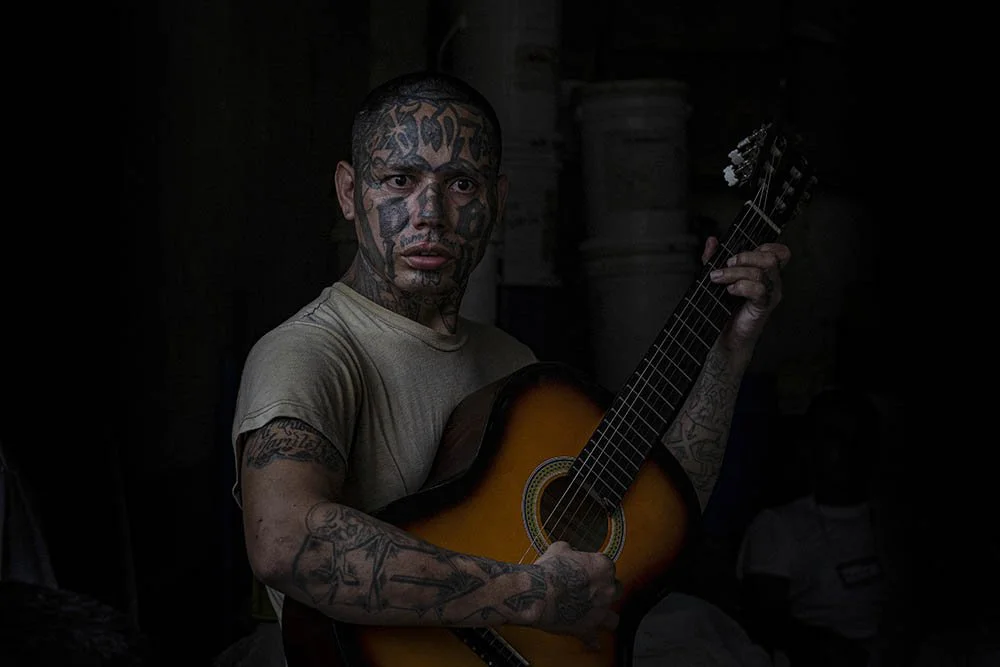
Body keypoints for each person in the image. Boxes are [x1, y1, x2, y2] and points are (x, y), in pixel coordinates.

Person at [230, 70, 791, 660]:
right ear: (349, 192)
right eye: (399, 180)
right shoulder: (308, 352)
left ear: (496, 201)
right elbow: (286, 542)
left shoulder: (515, 367)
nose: (429, 214)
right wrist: (529, 595)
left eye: (461, 184)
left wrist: (728, 353)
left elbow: (655, 518)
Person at [736, 387, 888, 666]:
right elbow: (764, 621)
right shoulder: (778, 525)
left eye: (857, 438)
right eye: (834, 437)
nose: (847, 450)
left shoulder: (888, 516)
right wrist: (823, 646)